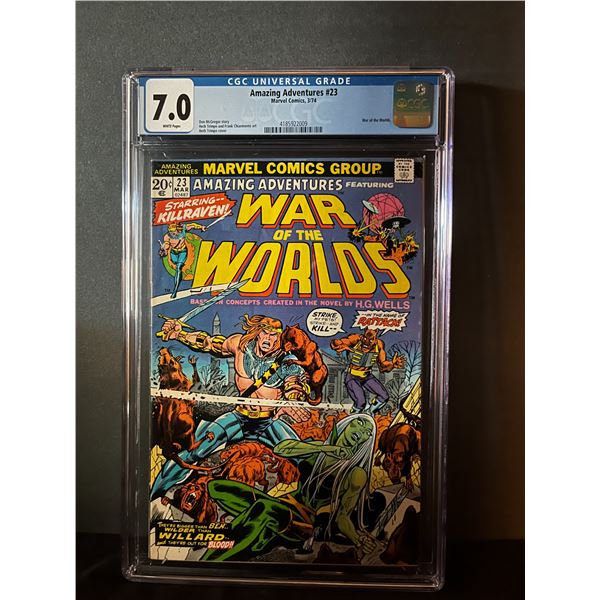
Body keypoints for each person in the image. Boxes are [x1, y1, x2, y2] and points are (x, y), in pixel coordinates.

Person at [151, 314, 311, 499]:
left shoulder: (287, 361)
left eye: (274, 335)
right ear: (257, 333)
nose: (269, 338)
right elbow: (208, 343)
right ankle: (154, 494)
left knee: (304, 457)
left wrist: (293, 398)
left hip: (268, 422)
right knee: (192, 452)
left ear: (280, 337)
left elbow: (294, 384)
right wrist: (179, 335)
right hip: (238, 418)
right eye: (264, 333)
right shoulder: (240, 345)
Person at [202, 414, 380, 561]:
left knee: (263, 508)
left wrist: (358, 539)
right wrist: (326, 449)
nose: (361, 431)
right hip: (283, 502)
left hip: (304, 522)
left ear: (367, 441)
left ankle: (213, 559)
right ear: (348, 424)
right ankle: (261, 537)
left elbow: (343, 516)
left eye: (367, 432)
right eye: (359, 423)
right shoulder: (321, 449)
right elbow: (281, 449)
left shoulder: (356, 474)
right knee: (216, 487)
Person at [331, 328, 405, 413]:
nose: (366, 342)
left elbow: (383, 366)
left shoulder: (379, 345)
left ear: (375, 338)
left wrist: (393, 364)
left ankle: (370, 412)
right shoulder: (355, 339)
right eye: (365, 338)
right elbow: (337, 344)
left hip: (367, 377)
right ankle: (353, 416)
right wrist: (339, 344)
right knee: (361, 402)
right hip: (352, 377)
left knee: (384, 396)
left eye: (370, 340)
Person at [159, 222, 206, 298]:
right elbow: (167, 244)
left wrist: (201, 227)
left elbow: (193, 225)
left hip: (182, 252)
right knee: (176, 265)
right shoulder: (167, 236)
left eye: (173, 232)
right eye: (170, 232)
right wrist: (164, 249)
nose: (172, 234)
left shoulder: (183, 229)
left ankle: (175, 290)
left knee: (178, 268)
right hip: (173, 253)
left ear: (177, 230)